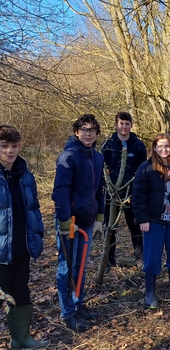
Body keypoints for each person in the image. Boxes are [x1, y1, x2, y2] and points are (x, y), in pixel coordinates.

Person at [52, 114, 105, 332]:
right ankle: (67, 313)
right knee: (66, 268)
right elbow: (60, 191)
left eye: (92, 130)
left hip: (88, 221)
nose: (88, 133)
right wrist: (64, 221)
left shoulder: (98, 157)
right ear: (77, 132)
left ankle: (78, 303)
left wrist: (100, 217)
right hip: (70, 222)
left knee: (81, 267)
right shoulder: (68, 157)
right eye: (84, 129)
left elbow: (100, 189)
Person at [132, 133, 170, 308]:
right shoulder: (146, 168)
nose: (164, 149)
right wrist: (142, 219)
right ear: (154, 148)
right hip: (154, 221)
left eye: (166, 146)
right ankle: (150, 292)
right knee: (152, 258)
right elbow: (138, 196)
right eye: (160, 146)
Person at [0, 125, 48, 348]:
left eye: (14, 146)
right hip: (1, 251)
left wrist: (37, 236)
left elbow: (33, 208)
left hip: (21, 247)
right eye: (4, 146)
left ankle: (20, 340)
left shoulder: (25, 175)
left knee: (21, 292)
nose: (10, 151)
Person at [101, 112, 147, 266]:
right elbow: (103, 170)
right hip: (112, 193)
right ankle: (109, 260)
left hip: (132, 193)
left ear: (131, 125)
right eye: (121, 123)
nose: (124, 127)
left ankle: (140, 257)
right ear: (116, 125)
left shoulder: (138, 145)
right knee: (110, 226)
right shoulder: (107, 145)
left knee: (135, 225)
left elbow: (143, 170)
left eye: (127, 124)